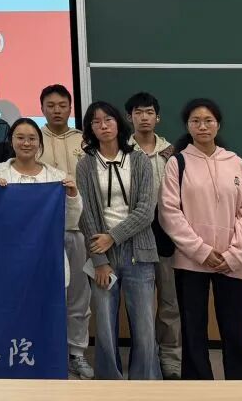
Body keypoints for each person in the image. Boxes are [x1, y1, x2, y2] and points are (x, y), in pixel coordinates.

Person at [160, 98, 242, 380]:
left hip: (232, 261)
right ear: (188, 126)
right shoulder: (177, 162)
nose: (202, 126)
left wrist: (236, 253)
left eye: (208, 121)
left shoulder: (235, 161)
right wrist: (201, 251)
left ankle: (241, 385)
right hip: (191, 261)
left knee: (235, 328)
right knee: (193, 328)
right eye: (196, 121)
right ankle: (197, 385)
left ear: (218, 125)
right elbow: (169, 212)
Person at [76, 101, 160, 380]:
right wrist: (99, 260)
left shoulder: (139, 160)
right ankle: (109, 383)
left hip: (139, 251)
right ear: (90, 128)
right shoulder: (85, 165)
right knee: (105, 327)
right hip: (102, 255)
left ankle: (144, 383)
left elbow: (146, 210)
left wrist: (112, 237)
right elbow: (85, 214)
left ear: (119, 123)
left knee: (145, 327)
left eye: (108, 120)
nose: (103, 126)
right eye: (96, 121)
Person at [36, 83, 91, 379]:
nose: (57, 110)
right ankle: (47, 351)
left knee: (79, 296)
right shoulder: (33, 139)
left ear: (70, 108)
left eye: (62, 105)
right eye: (51, 105)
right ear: (42, 108)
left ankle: (76, 353)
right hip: (42, 232)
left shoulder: (84, 140)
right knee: (44, 294)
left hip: (79, 228)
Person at [0, 117, 81, 289]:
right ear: (11, 141)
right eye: (20, 138)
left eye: (32, 138)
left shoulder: (57, 177)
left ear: (39, 143)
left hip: (48, 259)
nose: (26, 143)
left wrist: (72, 195)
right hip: (8, 260)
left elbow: (70, 222)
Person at [125, 91, 180, 380]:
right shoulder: (122, 151)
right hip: (135, 235)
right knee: (141, 305)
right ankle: (144, 358)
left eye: (149, 112)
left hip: (167, 234)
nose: (144, 118)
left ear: (157, 117)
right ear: (129, 117)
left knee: (170, 302)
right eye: (138, 112)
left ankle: (170, 358)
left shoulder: (173, 153)